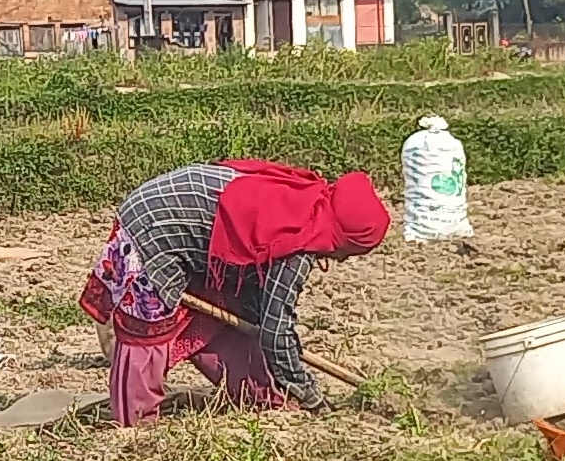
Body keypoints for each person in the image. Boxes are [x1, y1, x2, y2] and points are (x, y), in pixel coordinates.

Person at [79, 161, 390, 426]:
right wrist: (309, 394)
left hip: (191, 229)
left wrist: (289, 373)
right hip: (154, 227)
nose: (342, 260)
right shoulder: (299, 238)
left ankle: (260, 399)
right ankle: (136, 423)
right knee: (149, 331)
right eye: (349, 253)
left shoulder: (307, 202)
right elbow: (276, 331)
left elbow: (261, 313)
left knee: (228, 314)